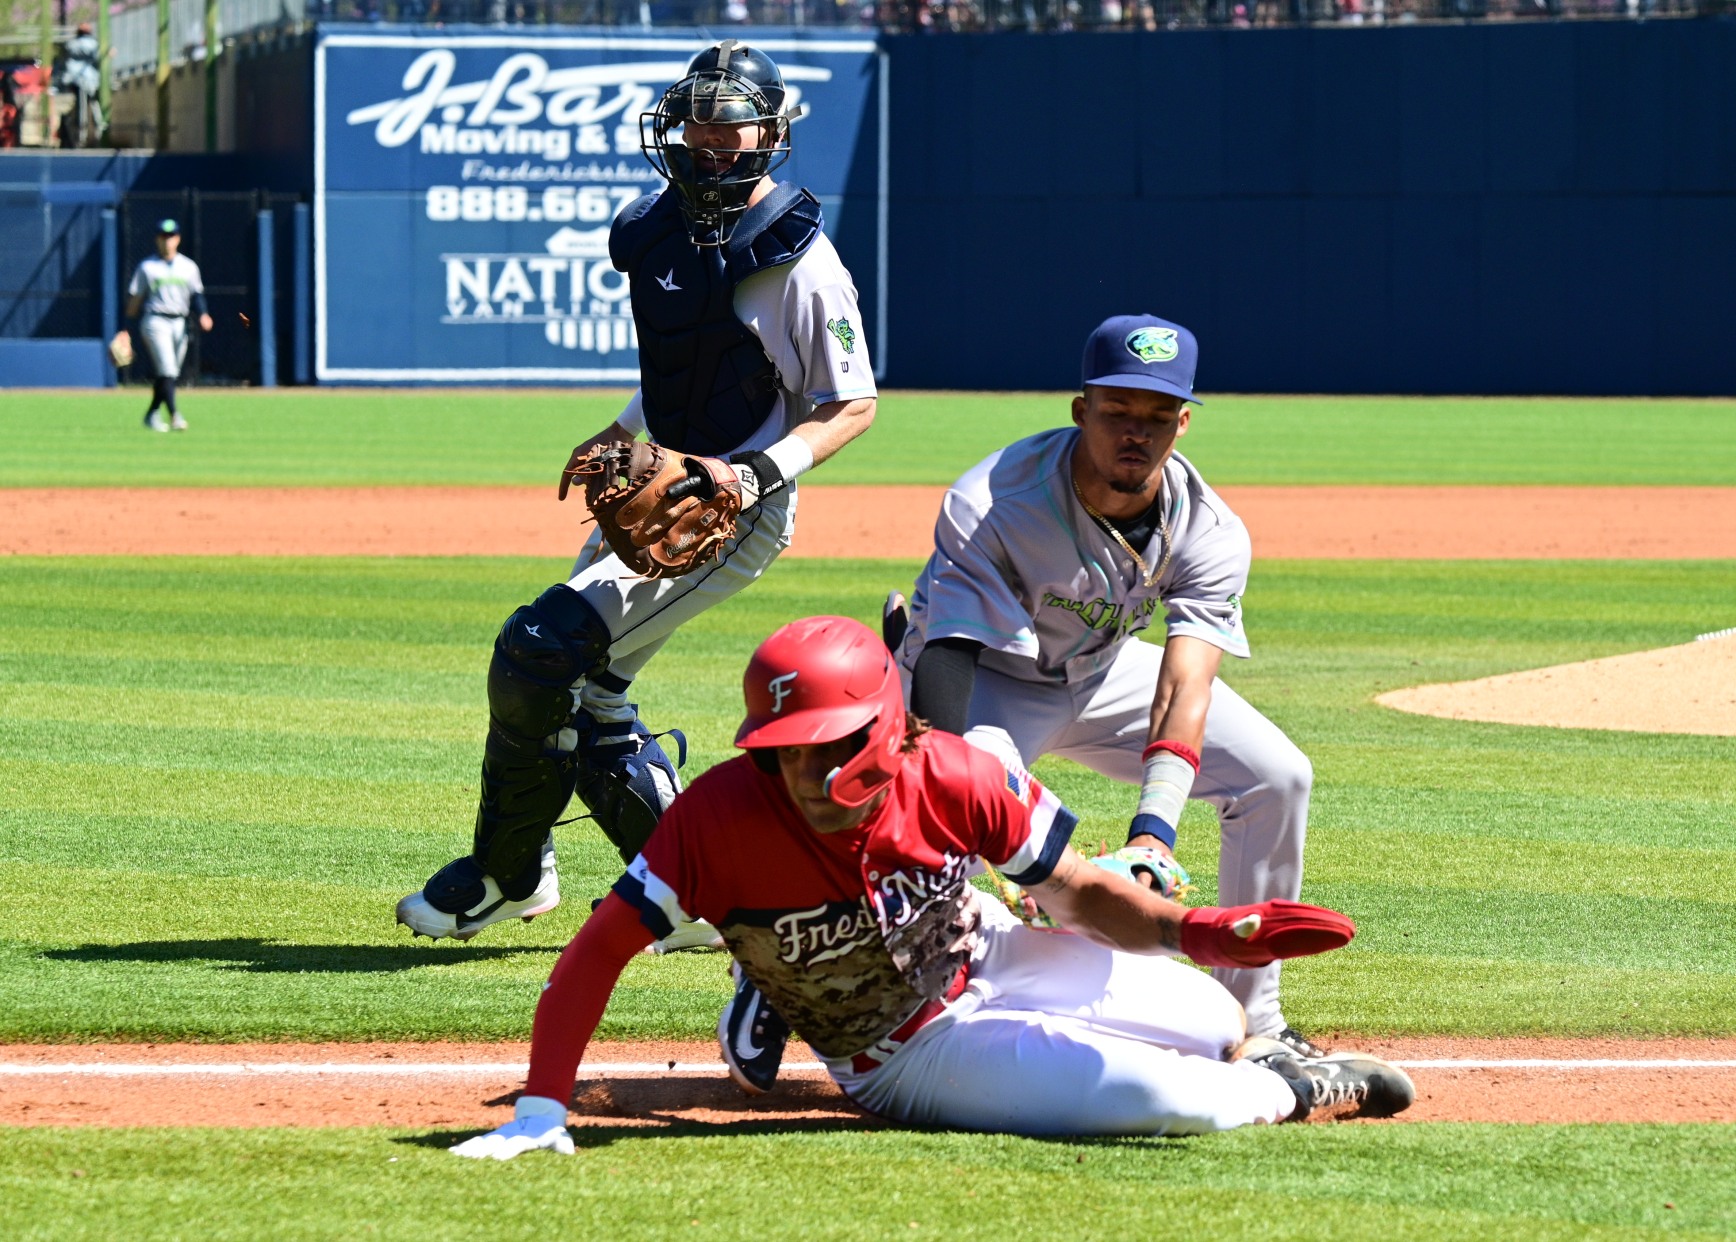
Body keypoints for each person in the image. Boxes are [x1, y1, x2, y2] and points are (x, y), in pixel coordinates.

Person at [449, 616, 1412, 1158]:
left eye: (830, 746)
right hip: (900, 1050)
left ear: (887, 727)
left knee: (1213, 1018)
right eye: (784, 750)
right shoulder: (716, 818)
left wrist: (1198, 932)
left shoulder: (955, 772)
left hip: (982, 948)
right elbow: (595, 954)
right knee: (1184, 1099)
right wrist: (542, 1108)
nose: (806, 774)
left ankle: (768, 972)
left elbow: (1078, 892)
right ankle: (1290, 1091)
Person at [731, 314, 1316, 1088]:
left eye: (1156, 416)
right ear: (1081, 411)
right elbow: (951, 658)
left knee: (1278, 775)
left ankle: (1257, 1024)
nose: (1135, 433)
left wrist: (1153, 836)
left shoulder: (1209, 529)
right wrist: (957, 793)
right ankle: (778, 967)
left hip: (1102, 671)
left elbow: (1185, 681)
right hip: (982, 676)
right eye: (1117, 411)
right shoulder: (996, 499)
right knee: (945, 827)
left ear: (1182, 424)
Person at [395, 41, 878, 947]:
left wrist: (753, 473)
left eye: (730, 123)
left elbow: (851, 404)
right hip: (659, 485)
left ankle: (507, 874)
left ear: (771, 134)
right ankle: (693, 894)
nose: (709, 139)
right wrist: (621, 431)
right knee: (588, 693)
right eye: (696, 119)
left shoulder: (803, 261)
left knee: (540, 651)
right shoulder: (657, 227)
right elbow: (687, 368)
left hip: (731, 511)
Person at [121, 219, 212, 432]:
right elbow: (135, 299)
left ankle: (151, 413)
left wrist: (203, 314)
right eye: (163, 236)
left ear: (178, 239)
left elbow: (197, 295)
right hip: (155, 320)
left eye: (171, 236)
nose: (167, 240)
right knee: (168, 368)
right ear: (157, 239)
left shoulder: (189, 267)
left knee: (168, 374)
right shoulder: (147, 267)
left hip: (180, 322)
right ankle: (175, 416)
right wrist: (126, 328)